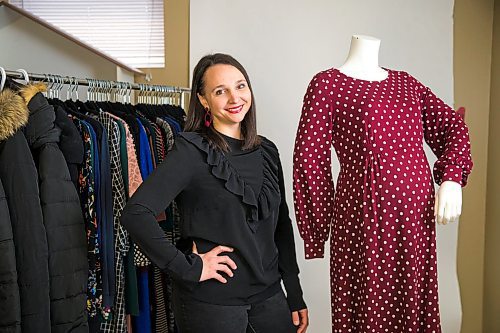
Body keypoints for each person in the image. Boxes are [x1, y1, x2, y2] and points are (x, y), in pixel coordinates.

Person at [293, 35, 472, 332]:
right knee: (369, 313)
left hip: (416, 224)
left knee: (414, 308)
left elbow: (453, 127)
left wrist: (451, 178)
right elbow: (310, 158)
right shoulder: (328, 85)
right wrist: (316, 229)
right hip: (364, 223)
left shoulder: (407, 84)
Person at [121, 53, 309, 333]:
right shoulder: (191, 150)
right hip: (211, 306)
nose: (235, 98)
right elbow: (136, 214)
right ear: (203, 100)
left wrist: (293, 292)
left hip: (270, 298)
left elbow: (281, 224)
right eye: (221, 91)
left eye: (240, 86)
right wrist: (188, 267)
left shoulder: (267, 150)